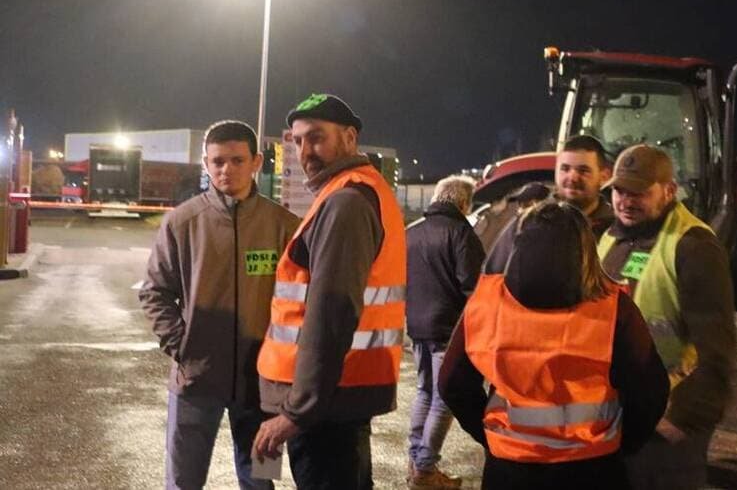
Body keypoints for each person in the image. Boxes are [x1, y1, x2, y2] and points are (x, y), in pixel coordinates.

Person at [439, 201, 670, 488]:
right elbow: (650, 392)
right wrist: (624, 443)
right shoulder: (613, 308)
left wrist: (490, 436)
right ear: (586, 251)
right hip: (593, 469)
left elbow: (452, 383)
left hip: (510, 471)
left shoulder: (486, 303)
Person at [251, 94, 407, 489]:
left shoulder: (346, 202)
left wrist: (298, 411)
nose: (306, 151)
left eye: (317, 138)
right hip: (339, 396)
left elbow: (330, 314)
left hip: (326, 406)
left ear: (350, 138)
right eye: (299, 141)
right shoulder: (355, 192)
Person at [139, 120, 300, 490]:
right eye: (217, 162)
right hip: (196, 379)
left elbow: (299, 302)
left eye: (237, 160)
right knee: (183, 480)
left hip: (263, 382)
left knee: (261, 481)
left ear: (257, 161)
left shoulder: (284, 226)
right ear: (206, 164)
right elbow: (155, 291)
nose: (226, 170)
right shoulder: (181, 223)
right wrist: (181, 345)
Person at [597, 144, 737, 490]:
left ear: (669, 191)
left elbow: (717, 349)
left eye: (639, 192)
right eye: (619, 191)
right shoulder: (611, 237)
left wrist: (683, 418)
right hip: (619, 416)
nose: (625, 201)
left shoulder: (693, 245)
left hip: (667, 424)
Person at [404, 175, 486, 488]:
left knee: (425, 392)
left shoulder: (413, 233)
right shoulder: (461, 233)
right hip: (447, 331)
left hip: (417, 328)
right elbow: (474, 287)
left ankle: (416, 461)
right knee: (444, 399)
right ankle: (425, 469)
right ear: (464, 203)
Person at [483, 135, 615, 272]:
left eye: (583, 171)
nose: (572, 177)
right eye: (565, 169)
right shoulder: (528, 222)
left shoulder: (615, 233)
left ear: (604, 176)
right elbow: (491, 278)